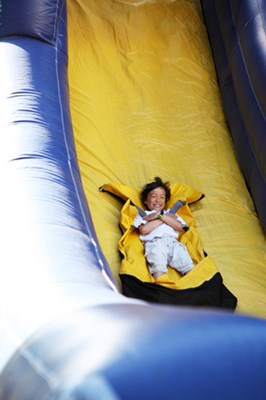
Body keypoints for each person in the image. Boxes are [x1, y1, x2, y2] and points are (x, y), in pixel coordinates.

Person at [134, 177, 195, 280]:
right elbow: (144, 230)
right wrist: (162, 217)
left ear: (166, 200)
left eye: (162, 197)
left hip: (173, 243)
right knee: (158, 265)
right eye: (154, 196)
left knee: (187, 264)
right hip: (154, 243)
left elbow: (179, 226)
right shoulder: (144, 215)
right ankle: (161, 288)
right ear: (145, 200)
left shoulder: (171, 213)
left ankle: (194, 286)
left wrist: (160, 215)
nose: (158, 200)